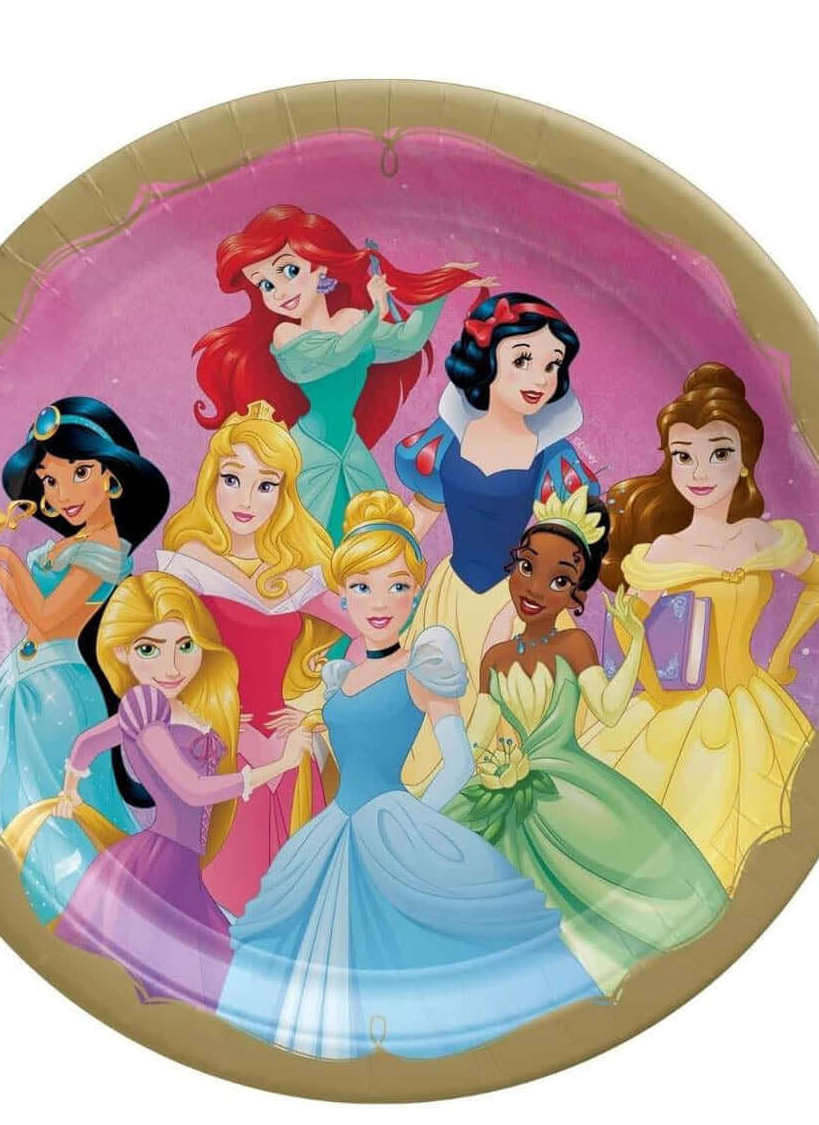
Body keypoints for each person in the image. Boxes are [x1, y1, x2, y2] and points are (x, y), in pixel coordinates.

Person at [216, 492, 602, 1059]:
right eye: (362, 587)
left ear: (417, 591)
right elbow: (334, 761)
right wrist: (305, 743)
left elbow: (458, 762)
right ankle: (331, 1055)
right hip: (336, 827)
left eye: (396, 586)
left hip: (393, 821)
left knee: (407, 944)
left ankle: (412, 1051)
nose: (379, 602)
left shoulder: (422, 666)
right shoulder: (339, 676)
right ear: (342, 595)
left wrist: (415, 818)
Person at [445, 490, 728, 994]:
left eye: (558, 580)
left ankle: (565, 985)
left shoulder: (574, 644)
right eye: (526, 568)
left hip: (568, 785)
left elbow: (610, 709)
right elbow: (473, 739)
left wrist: (635, 643)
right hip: (502, 786)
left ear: (576, 594)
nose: (534, 588)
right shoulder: (496, 658)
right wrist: (435, 787)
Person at [581, 363, 819, 891]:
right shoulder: (662, 551)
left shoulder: (759, 538)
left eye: (719, 453)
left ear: (746, 461)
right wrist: (654, 677)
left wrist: (783, 652)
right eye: (683, 456)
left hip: (753, 708)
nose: (699, 471)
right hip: (676, 711)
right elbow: (630, 629)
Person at [0, 397, 169, 922]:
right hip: (25, 681)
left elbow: (46, 619)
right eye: (49, 480)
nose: (61, 494)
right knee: (19, 802)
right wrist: (1, 563)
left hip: (57, 691)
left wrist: (2, 560)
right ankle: (39, 908)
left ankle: (82, 913)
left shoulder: (106, 548)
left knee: (58, 810)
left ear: (113, 478)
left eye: (79, 473)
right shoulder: (79, 542)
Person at [49, 573, 312, 1007]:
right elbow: (192, 790)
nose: (171, 666)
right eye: (149, 649)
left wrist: (71, 786)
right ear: (122, 652)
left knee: (189, 975)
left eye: (185, 646)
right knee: (170, 978)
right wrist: (278, 766)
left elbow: (87, 744)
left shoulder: (174, 706)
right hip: (161, 865)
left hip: (184, 862)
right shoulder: (145, 711)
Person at [395, 291, 599, 792]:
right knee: (432, 718)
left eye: (552, 365)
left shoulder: (552, 456)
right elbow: (420, 518)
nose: (540, 379)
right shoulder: (445, 440)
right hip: (449, 597)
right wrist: (382, 569)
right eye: (523, 360)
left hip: (522, 600)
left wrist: (526, 610)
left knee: (511, 728)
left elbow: (564, 545)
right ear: (486, 359)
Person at [157, 401, 351, 916]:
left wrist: (319, 711)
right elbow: (152, 655)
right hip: (216, 739)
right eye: (232, 479)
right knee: (226, 888)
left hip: (287, 743)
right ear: (211, 481)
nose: (246, 499)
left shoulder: (293, 575)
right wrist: (206, 719)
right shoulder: (187, 566)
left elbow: (375, 632)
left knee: (296, 891)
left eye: (266, 485)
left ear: (284, 496)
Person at [193, 204, 492, 537]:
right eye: (265, 285)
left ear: (319, 266)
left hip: (350, 451)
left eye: (289, 271)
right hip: (307, 455)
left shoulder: (352, 319)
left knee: (374, 541)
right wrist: (374, 314)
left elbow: (409, 340)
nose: (280, 291)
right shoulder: (287, 335)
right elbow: (335, 354)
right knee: (300, 543)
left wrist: (443, 284)